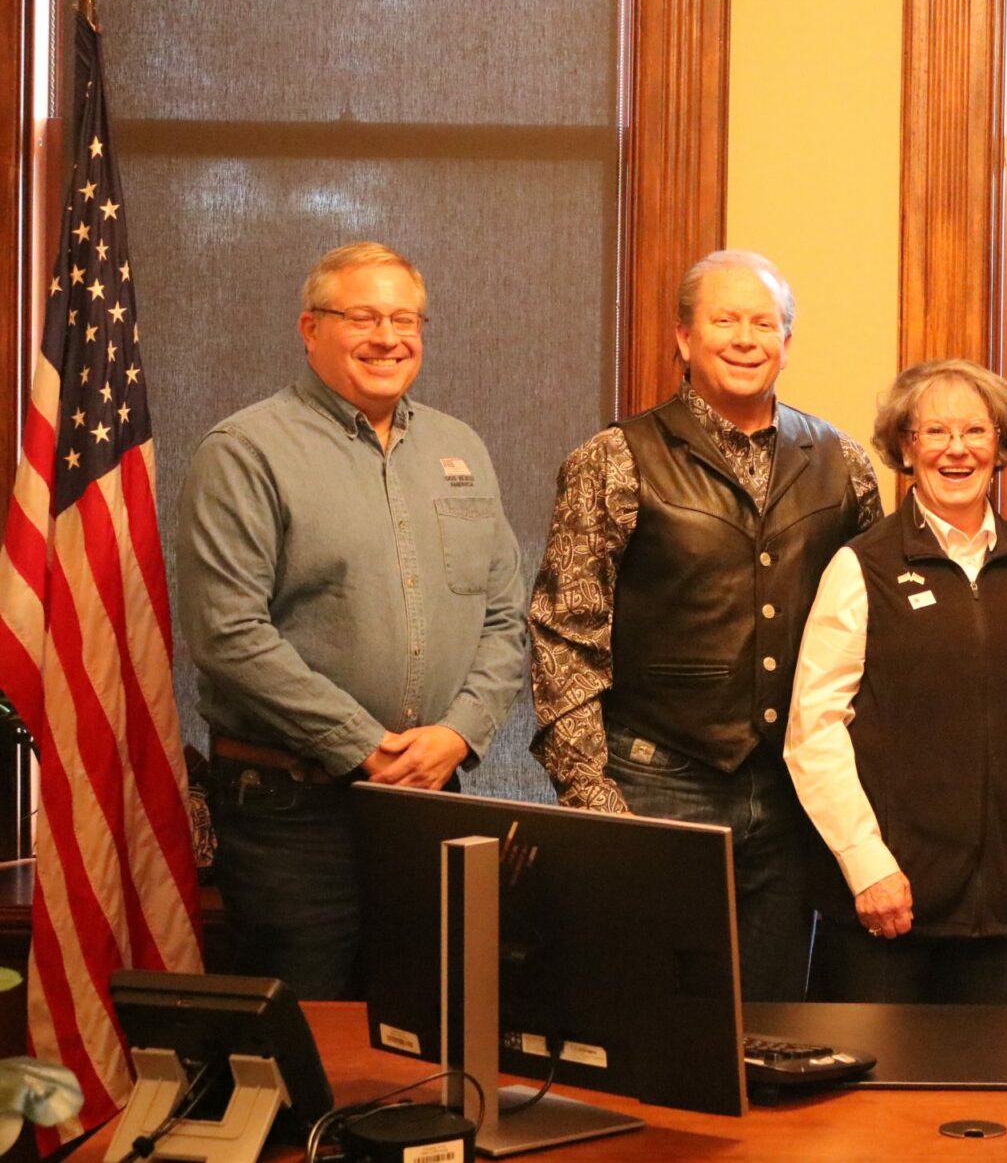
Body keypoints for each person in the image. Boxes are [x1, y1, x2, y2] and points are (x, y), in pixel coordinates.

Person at [176, 241, 527, 998]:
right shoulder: (245, 452)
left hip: (428, 801)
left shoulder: (459, 448)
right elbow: (228, 635)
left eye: (406, 319)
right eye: (362, 316)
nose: (388, 337)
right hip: (291, 812)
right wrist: (362, 745)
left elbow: (504, 619)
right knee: (307, 1033)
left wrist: (458, 733)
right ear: (309, 329)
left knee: (424, 1027)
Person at [529, 249, 880, 1001]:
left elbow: (872, 638)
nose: (747, 339)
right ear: (684, 338)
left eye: (766, 323)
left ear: (787, 342)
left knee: (777, 1027)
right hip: (655, 782)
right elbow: (564, 637)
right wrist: (596, 802)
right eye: (726, 320)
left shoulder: (844, 462)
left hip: (793, 796)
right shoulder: (614, 460)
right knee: (650, 1013)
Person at [785, 360, 1007, 1003]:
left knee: (985, 1095)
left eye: (976, 432)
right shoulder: (862, 566)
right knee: (874, 1099)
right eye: (935, 432)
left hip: (1006, 900)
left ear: (1001, 446)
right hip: (886, 905)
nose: (957, 449)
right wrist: (866, 866)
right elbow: (813, 730)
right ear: (908, 446)